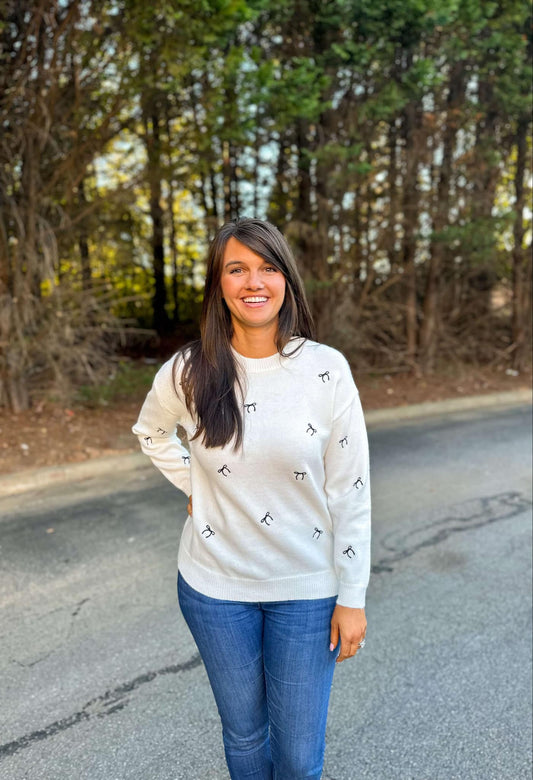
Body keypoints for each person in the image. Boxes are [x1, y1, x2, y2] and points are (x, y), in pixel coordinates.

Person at [132, 218, 371, 780]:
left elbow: (351, 489)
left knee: (296, 754)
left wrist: (353, 595)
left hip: (307, 592)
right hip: (215, 590)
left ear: (286, 279)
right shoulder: (189, 371)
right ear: (219, 284)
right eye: (236, 269)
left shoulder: (325, 369)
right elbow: (150, 433)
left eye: (267, 267)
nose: (253, 281)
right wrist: (198, 487)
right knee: (243, 737)